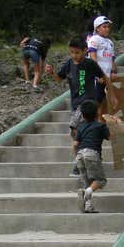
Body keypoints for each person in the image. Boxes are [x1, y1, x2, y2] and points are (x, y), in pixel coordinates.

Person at [45, 36, 108, 176]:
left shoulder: (90, 63)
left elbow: (102, 76)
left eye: (77, 52)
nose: (74, 55)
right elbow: (59, 79)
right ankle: (92, 155)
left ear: (85, 51)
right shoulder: (69, 64)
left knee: (75, 129)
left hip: (87, 104)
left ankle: (80, 162)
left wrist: (103, 85)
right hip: (75, 104)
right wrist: (52, 73)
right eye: (72, 52)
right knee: (81, 133)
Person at [74, 100, 109, 213]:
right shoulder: (100, 126)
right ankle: (87, 192)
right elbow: (110, 137)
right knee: (101, 180)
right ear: (97, 113)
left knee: (86, 182)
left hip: (80, 154)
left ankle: (88, 206)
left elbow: (75, 144)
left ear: (83, 115)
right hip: (92, 154)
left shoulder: (80, 126)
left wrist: (76, 156)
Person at [87, 15, 117, 114]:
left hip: (106, 77)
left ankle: (98, 120)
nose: (107, 29)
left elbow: (112, 59)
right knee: (96, 101)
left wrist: (113, 71)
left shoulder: (110, 42)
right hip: (97, 78)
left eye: (108, 27)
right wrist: (97, 74)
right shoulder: (94, 39)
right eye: (104, 27)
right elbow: (93, 57)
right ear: (97, 28)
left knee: (102, 100)